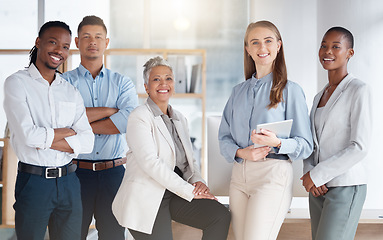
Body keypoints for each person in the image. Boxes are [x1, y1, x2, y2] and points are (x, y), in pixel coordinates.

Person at [112, 56, 231, 240]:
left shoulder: (180, 118)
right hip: (148, 195)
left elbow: (189, 161)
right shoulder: (139, 117)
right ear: (146, 87)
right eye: (156, 79)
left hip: (174, 191)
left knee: (219, 215)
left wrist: (198, 182)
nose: (163, 83)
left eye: (168, 78)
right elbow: (150, 163)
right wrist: (189, 191)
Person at [218, 20, 313, 240]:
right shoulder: (237, 92)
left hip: (272, 175)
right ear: (247, 49)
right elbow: (223, 137)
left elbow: (306, 145)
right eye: (255, 42)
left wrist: (278, 142)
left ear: (278, 46)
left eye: (268, 41)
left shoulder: (291, 90)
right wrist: (242, 153)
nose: (262, 48)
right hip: (239, 178)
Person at [3, 21, 94, 240]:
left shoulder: (70, 90)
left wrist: (45, 136)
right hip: (34, 182)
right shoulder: (16, 83)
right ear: (38, 42)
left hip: (69, 182)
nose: (59, 51)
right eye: (53, 42)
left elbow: (88, 142)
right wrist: (68, 131)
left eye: (64, 46)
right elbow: (28, 136)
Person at [62, 15, 138, 240]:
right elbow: (62, 122)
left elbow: (128, 121)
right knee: (71, 235)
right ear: (77, 42)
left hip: (113, 174)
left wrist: (80, 125)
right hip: (75, 173)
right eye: (86, 36)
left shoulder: (122, 83)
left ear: (107, 42)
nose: (92, 41)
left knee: (114, 235)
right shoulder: (63, 82)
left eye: (98, 37)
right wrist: (110, 110)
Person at [301, 27, 372, 240]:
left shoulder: (358, 90)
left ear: (350, 53)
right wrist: (310, 173)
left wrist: (317, 174)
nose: (327, 51)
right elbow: (311, 142)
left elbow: (359, 147)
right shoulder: (318, 97)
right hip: (318, 189)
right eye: (324, 45)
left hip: (345, 185)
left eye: (335, 46)